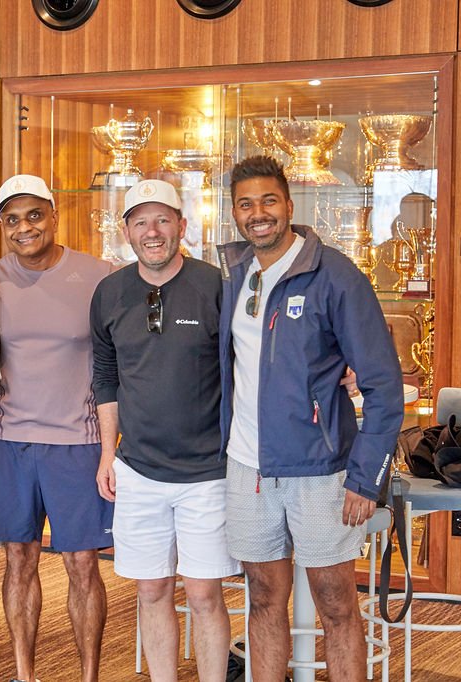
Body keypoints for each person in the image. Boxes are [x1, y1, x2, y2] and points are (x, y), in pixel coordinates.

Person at [218, 156, 404, 682]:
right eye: (245, 204)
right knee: (262, 597)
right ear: (234, 212)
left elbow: (384, 386)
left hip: (321, 472)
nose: (258, 214)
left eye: (268, 201)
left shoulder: (336, 275)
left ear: (288, 204)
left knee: (337, 603)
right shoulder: (236, 274)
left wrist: (365, 478)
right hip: (248, 468)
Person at [92, 179, 240, 682]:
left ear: (182, 225)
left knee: (203, 593)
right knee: (151, 589)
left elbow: (250, 363)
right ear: (127, 231)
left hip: (208, 472)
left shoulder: (215, 285)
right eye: (140, 222)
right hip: (138, 469)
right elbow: (105, 376)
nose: (151, 232)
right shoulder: (110, 292)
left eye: (162, 220)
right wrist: (107, 453)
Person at [0, 174, 113, 682]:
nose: (24, 227)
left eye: (34, 215)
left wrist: (113, 446)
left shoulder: (99, 276)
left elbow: (121, 361)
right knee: (18, 560)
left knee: (82, 564)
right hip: (8, 442)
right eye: (12, 219)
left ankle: (90, 676)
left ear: (54, 215)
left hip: (79, 443)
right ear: (2, 226)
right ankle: (24, 674)